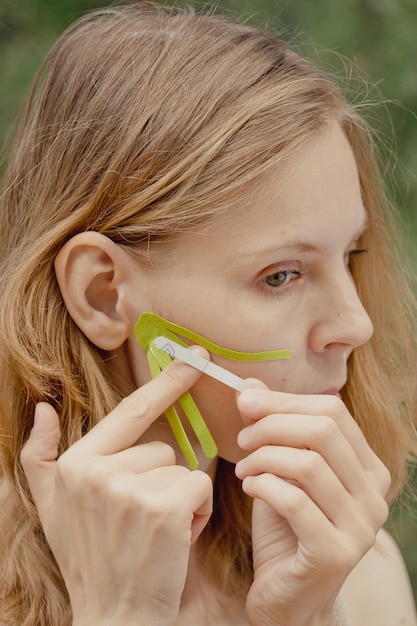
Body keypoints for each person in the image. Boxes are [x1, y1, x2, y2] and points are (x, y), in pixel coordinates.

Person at [0, 1, 416, 624]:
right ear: (102, 294)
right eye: (282, 275)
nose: (356, 325)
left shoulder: (354, 571)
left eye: (351, 258)